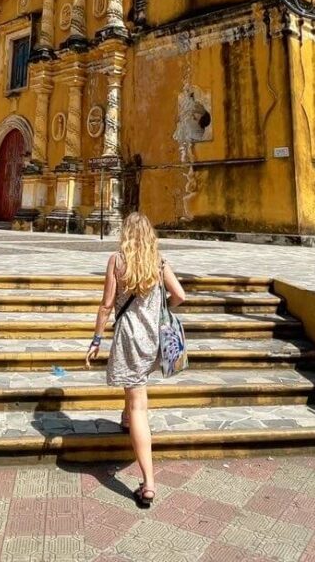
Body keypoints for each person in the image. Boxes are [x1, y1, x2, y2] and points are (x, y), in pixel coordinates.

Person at [85, 212, 185, 507]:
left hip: (129, 338)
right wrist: (161, 307)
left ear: (125, 234)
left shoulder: (117, 261)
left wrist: (96, 339)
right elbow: (180, 295)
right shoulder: (159, 262)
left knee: (139, 403)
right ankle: (126, 417)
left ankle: (149, 483)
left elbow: (106, 306)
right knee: (135, 386)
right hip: (153, 338)